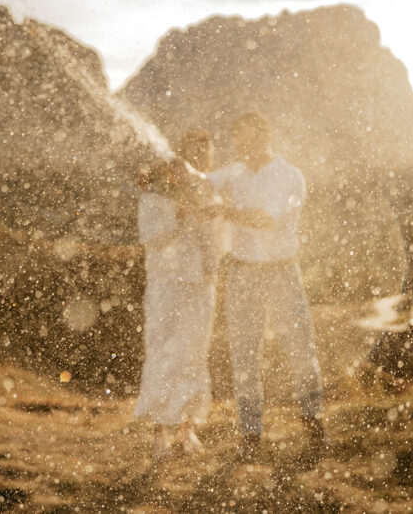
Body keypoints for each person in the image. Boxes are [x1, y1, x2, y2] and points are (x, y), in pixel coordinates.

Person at [208, 111, 326, 461]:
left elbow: (265, 220)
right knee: (244, 355)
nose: (240, 146)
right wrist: (168, 172)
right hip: (242, 273)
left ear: (262, 135)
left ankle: (313, 422)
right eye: (236, 140)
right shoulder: (233, 172)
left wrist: (223, 210)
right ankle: (250, 435)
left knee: (300, 349)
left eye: (244, 138)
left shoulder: (291, 177)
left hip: (281, 273)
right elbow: (201, 183)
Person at [133, 130, 222, 460]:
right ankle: (160, 436)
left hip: (201, 284)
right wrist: (178, 216)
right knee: (162, 352)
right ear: (178, 158)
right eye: (194, 154)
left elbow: (217, 236)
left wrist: (213, 217)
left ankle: (187, 429)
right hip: (166, 283)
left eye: (205, 154)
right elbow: (150, 238)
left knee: (195, 354)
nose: (200, 161)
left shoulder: (207, 191)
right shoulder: (154, 194)